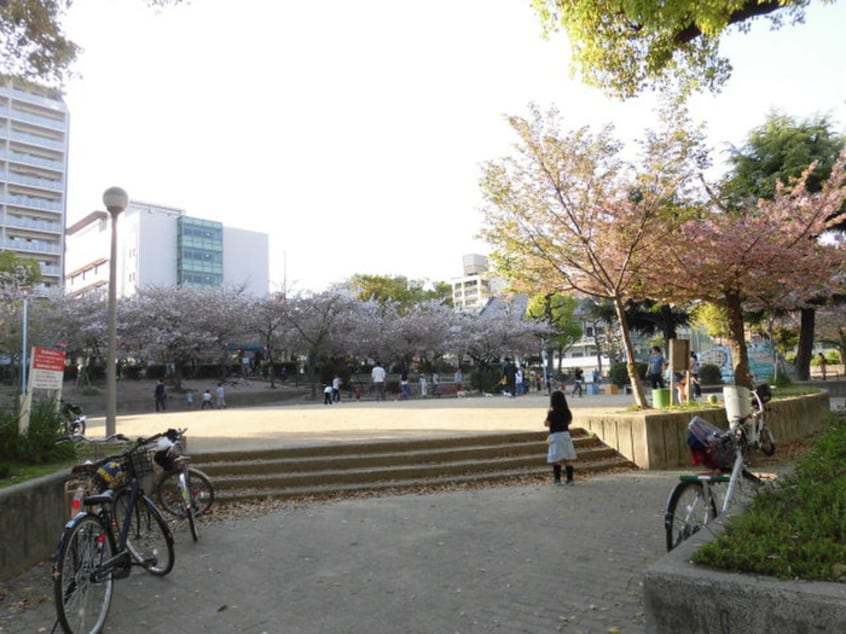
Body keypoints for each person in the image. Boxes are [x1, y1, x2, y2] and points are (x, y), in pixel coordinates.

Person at [544, 390, 577, 486]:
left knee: (556, 459)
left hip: (555, 436)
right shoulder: (567, 412)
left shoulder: (552, 413)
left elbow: (546, 424)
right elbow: (569, 422)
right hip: (565, 435)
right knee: (568, 458)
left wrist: (547, 414)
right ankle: (570, 479)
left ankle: (557, 480)